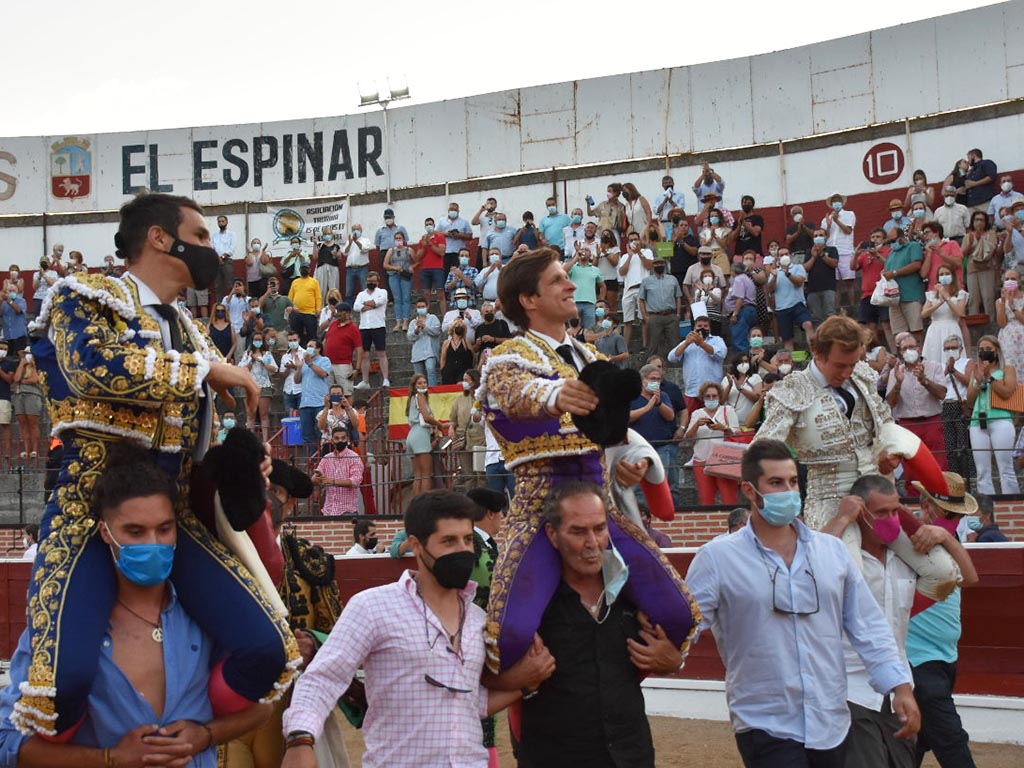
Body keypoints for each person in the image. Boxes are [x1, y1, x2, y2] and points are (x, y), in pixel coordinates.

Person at [477, 247, 698, 675]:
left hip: (601, 506)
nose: (572, 285)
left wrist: (623, 465)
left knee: (679, 615)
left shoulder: (593, 359)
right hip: (538, 509)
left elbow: (611, 437)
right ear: (529, 299)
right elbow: (512, 392)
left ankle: (626, 676)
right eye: (559, 279)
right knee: (511, 636)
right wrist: (555, 395)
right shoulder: (507, 356)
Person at [0, 443, 272, 767]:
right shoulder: (66, 625)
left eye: (164, 529)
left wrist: (207, 735)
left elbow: (262, 708)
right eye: (135, 531)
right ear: (105, 532)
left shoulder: (205, 615)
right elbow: (7, 742)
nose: (152, 544)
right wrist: (110, 758)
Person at [686, 440, 919, 768]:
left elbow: (868, 625)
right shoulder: (717, 558)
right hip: (765, 722)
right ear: (750, 491)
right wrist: (667, 648)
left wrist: (900, 687)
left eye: (793, 482)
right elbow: (686, 622)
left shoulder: (831, 552)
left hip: (831, 720)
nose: (788, 491)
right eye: (776, 483)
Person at [281, 491, 555, 768]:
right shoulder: (373, 607)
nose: (462, 550)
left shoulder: (477, 620)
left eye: (467, 539)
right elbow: (323, 678)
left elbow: (466, 705)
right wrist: (300, 741)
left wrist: (526, 682)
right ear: (417, 546)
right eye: (448, 541)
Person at [516, 483, 685, 767]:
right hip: (555, 756)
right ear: (553, 535)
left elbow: (670, 656)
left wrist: (674, 661)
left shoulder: (634, 595)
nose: (592, 542)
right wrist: (520, 682)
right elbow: (487, 677)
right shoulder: (532, 606)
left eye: (599, 528)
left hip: (631, 754)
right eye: (578, 531)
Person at [822, 474, 974, 768]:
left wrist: (943, 536)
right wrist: (842, 518)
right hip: (850, 688)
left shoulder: (909, 558)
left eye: (895, 511)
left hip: (900, 688)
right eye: (881, 513)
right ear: (860, 513)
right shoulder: (842, 557)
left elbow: (967, 577)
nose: (891, 519)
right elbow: (810, 563)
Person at [906, 474, 982, 768]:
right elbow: (972, 578)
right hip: (919, 660)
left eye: (955, 513)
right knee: (951, 742)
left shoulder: (946, 537)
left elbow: (970, 579)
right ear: (927, 506)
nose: (952, 518)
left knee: (915, 741)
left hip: (943, 657)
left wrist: (947, 537)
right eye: (948, 511)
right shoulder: (913, 537)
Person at [466, 486, 506, 765]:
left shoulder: (486, 544)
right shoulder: (471, 545)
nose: (503, 519)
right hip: (468, 636)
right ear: (490, 513)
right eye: (501, 513)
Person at [885, 333, 949, 492]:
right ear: (900, 352)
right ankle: (915, 504)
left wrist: (925, 381)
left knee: (938, 465)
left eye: (912, 347)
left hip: (932, 421)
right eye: (905, 348)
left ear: (919, 348)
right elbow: (890, 403)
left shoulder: (934, 366)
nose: (909, 351)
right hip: (907, 425)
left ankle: (940, 501)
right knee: (912, 470)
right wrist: (898, 383)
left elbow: (942, 393)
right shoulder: (896, 372)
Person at [966, 335, 1020, 495]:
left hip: (1001, 419)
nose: (985, 352)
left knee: (1005, 467)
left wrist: (990, 377)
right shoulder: (976, 369)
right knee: (982, 471)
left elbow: (1008, 392)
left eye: (988, 349)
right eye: (981, 350)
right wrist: (979, 381)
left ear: (997, 351)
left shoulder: (1006, 369)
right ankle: (987, 509)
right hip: (978, 422)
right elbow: (969, 400)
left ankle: (1012, 507)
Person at [630, 364, 680, 509]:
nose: (655, 382)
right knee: (639, 487)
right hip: (638, 448)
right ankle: (643, 516)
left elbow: (670, 416)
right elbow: (627, 417)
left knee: (660, 482)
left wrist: (658, 403)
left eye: (658, 379)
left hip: (661, 447)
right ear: (643, 379)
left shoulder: (663, 396)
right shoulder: (632, 396)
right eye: (652, 379)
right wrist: (647, 408)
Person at [686, 380, 740, 506]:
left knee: (729, 498)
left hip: (724, 459)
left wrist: (723, 428)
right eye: (707, 396)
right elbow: (688, 437)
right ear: (702, 398)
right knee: (706, 500)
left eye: (714, 396)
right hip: (702, 460)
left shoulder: (728, 410)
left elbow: (737, 434)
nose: (711, 399)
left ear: (719, 397)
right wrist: (696, 425)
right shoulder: (697, 413)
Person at [667, 315, 727, 413]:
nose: (702, 328)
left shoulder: (717, 340)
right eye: (699, 326)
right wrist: (686, 343)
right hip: (692, 391)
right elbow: (671, 357)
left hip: (712, 392)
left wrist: (701, 344)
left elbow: (721, 354)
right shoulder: (687, 342)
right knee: (691, 423)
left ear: (710, 328)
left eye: (705, 326)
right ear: (694, 328)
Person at [639, 256, 682, 362]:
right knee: (652, 345)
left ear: (665, 265)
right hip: (654, 316)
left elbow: (678, 297)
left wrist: (678, 314)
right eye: (656, 264)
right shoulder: (646, 281)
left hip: (671, 315)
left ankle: (677, 366)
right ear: (653, 266)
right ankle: (649, 366)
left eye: (661, 263)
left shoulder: (672, 279)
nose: (659, 265)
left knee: (675, 343)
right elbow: (641, 299)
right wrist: (645, 316)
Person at [352, 272, 390, 390]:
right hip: (364, 327)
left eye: (373, 281)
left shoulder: (382, 292)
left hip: (378, 325)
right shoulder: (361, 294)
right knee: (365, 354)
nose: (371, 283)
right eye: (369, 281)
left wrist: (368, 305)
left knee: (381, 353)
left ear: (377, 282)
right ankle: (365, 381)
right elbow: (356, 307)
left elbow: (379, 302)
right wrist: (371, 305)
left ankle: (385, 379)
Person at [406, 373, 442, 497]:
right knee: (427, 474)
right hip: (420, 434)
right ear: (415, 386)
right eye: (419, 383)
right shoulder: (419, 397)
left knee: (418, 476)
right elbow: (426, 417)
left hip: (411, 435)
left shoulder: (412, 399)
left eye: (425, 382)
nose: (423, 385)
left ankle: (415, 506)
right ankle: (424, 505)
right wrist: (440, 425)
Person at [239, 330, 278, 442]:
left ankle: (266, 440)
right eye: (255, 340)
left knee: (264, 414)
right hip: (249, 385)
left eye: (259, 340)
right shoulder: (246, 354)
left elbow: (273, 369)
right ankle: (250, 440)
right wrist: (251, 360)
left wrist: (261, 361)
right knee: (250, 414)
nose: (257, 342)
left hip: (264, 385)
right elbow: (242, 369)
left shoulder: (267, 354)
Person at [450, 369, 485, 490]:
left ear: (474, 382)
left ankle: (481, 504)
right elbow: (453, 418)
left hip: (480, 439)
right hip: (463, 441)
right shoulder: (460, 399)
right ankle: (470, 502)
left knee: (481, 474)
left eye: (466, 380)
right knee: (469, 475)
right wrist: (451, 427)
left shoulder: (482, 397)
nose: (463, 382)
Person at [295, 339, 332, 448]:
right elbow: (297, 380)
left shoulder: (324, 360)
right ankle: (310, 460)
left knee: (320, 433)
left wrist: (310, 363)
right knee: (307, 436)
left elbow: (324, 374)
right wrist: (298, 368)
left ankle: (321, 458)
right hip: (305, 404)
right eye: (307, 346)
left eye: (311, 346)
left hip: (319, 403)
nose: (308, 349)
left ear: (318, 349)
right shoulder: (304, 363)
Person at [321, 301, 362, 396]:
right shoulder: (333, 324)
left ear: (347, 313)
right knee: (329, 393)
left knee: (346, 393)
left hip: (343, 364)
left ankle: (347, 410)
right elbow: (326, 341)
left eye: (340, 311)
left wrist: (357, 369)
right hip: (329, 364)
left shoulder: (353, 328)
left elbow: (359, 349)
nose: (337, 313)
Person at [12, 349, 43, 463]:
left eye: (28, 354)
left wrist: (22, 380)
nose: (26, 356)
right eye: (24, 355)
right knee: (22, 422)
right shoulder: (20, 365)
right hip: (19, 394)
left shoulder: (37, 365)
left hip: (32, 395)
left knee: (32, 421)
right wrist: (22, 364)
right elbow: (16, 379)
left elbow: (34, 379)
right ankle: (26, 448)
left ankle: (35, 449)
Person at [413, 217, 449, 314]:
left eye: (430, 224)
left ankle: (444, 316)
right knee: (426, 294)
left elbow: (441, 252)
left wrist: (430, 244)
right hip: (425, 269)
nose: (429, 226)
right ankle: (425, 315)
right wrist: (424, 246)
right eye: (427, 224)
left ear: (434, 225)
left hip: (438, 268)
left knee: (441, 293)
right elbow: (418, 257)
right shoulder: (422, 240)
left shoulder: (440, 237)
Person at [383, 231, 415, 332]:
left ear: (404, 239)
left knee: (406, 298)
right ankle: (398, 322)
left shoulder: (409, 250)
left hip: (405, 275)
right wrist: (395, 268)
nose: (398, 240)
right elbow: (385, 265)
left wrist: (412, 267)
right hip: (393, 275)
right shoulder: (390, 251)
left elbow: (417, 260)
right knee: (397, 299)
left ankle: (406, 321)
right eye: (396, 238)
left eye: (400, 238)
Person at [407, 297, 442, 386]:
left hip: (430, 351)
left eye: (423, 306)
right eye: (419, 307)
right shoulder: (413, 322)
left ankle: (433, 391)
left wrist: (424, 327)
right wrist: (417, 330)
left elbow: (436, 331)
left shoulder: (433, 318)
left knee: (430, 370)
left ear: (427, 306)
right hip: (417, 353)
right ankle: (420, 393)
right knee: (418, 376)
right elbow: (410, 337)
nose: (421, 308)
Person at [996, 268, 1024, 376]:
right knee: (1009, 367)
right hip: (1007, 337)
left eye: (1013, 279)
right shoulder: (999, 301)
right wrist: (1003, 302)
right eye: (1007, 279)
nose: (1009, 281)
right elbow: (1002, 323)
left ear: (1019, 281)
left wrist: (1012, 306)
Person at [287, 262, 322, 347]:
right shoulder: (295, 282)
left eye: (306, 268)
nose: (304, 270)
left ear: (309, 270)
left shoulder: (314, 282)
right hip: (296, 313)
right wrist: (289, 310)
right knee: (296, 336)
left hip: (310, 313)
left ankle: (312, 354)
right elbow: (290, 297)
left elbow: (318, 297)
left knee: (312, 336)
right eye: (302, 268)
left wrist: (318, 309)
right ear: (299, 270)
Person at [342, 224, 371, 305]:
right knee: (349, 291)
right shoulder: (349, 241)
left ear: (361, 230)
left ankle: (365, 306)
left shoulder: (366, 240)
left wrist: (356, 241)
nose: (356, 231)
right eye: (354, 229)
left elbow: (364, 249)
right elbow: (344, 252)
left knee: (364, 288)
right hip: (350, 269)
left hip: (362, 268)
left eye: (357, 229)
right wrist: (350, 243)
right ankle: (348, 309)